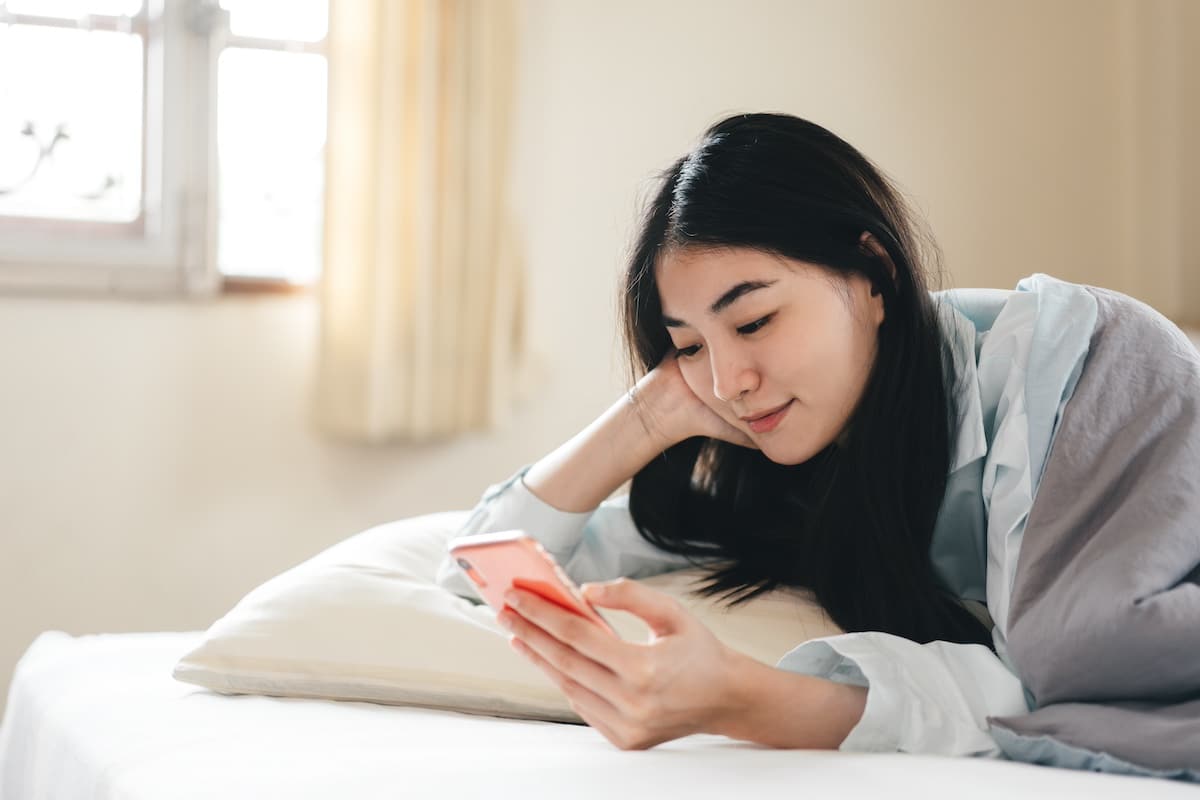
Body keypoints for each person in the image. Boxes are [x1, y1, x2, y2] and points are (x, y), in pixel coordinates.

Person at [435, 113, 1200, 780]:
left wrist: (739, 697)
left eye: (754, 321)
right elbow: (481, 565)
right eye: (689, 344)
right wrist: (652, 409)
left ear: (873, 274)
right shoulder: (776, 457)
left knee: (1079, 645)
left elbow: (1043, 682)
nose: (730, 379)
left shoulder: (1048, 363)